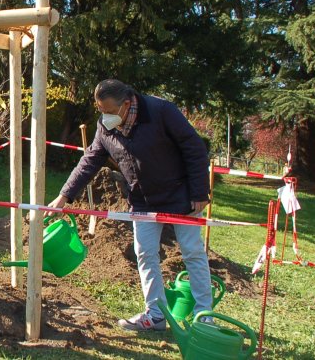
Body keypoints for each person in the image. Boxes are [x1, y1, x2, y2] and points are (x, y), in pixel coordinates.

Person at [49, 79, 211, 331]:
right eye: (100, 110)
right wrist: (64, 196)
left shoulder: (161, 111)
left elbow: (195, 149)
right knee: (145, 254)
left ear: (127, 104)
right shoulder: (105, 127)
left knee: (192, 252)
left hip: (181, 196)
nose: (104, 116)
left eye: (109, 111)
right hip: (142, 200)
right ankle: (155, 315)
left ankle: (205, 318)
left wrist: (199, 191)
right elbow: (90, 159)